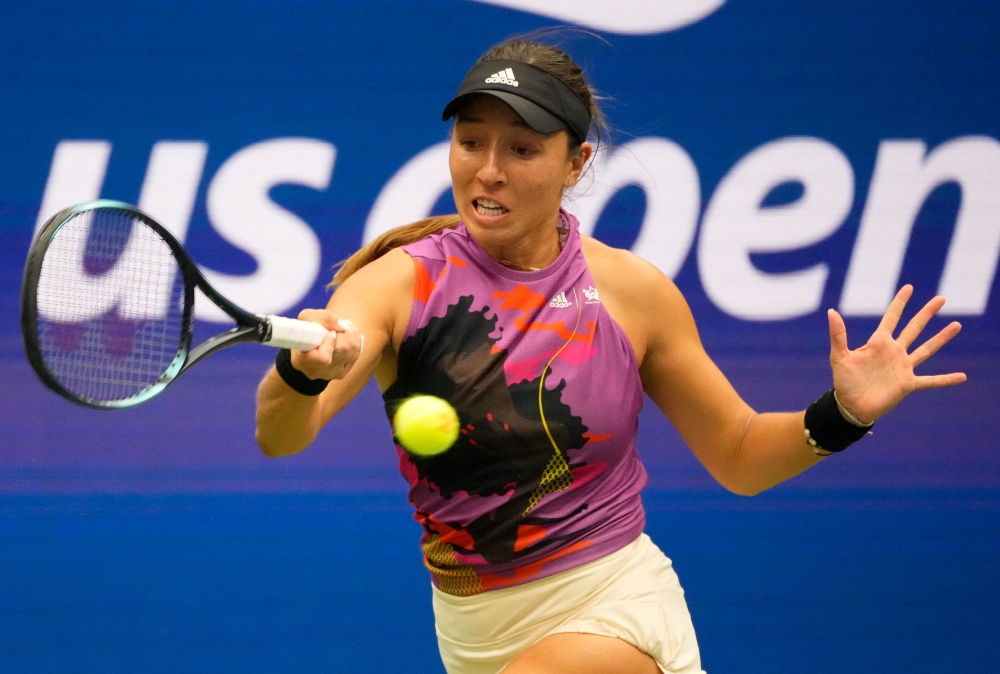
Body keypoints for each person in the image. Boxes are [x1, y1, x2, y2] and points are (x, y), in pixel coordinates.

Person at [254, 36, 966, 674]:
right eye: (471, 143)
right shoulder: (393, 287)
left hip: (613, 606)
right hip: (472, 635)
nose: (489, 171)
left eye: (523, 150)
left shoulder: (630, 292)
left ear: (576, 162)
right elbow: (282, 435)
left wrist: (840, 414)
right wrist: (301, 372)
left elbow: (741, 454)